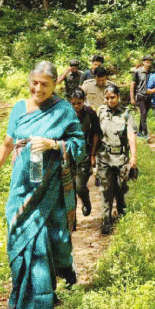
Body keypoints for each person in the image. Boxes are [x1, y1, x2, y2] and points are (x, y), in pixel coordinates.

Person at [0, 61, 85, 309]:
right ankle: (20, 298)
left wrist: (54, 144)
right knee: (17, 240)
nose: (38, 88)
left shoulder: (63, 110)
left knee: (43, 245)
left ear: (55, 85)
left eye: (45, 84)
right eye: (34, 83)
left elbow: (79, 145)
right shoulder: (18, 108)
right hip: (21, 188)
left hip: (49, 192)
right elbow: (7, 143)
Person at [95, 84, 137, 235]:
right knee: (106, 189)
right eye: (106, 98)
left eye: (112, 97)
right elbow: (95, 133)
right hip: (105, 157)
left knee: (120, 187)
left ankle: (121, 210)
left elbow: (131, 134)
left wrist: (133, 156)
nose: (109, 100)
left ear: (118, 96)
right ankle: (106, 220)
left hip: (121, 157)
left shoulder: (126, 113)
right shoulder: (100, 112)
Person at [68, 88, 100, 224]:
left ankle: (86, 202)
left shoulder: (90, 113)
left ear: (84, 102)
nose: (76, 106)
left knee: (80, 186)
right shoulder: (66, 114)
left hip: (85, 154)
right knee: (70, 188)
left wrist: (93, 155)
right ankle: (72, 219)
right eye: (74, 103)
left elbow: (96, 134)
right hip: (69, 154)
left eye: (79, 103)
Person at [130, 55, 153, 138]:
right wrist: (132, 98)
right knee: (143, 113)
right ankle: (146, 134)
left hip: (148, 96)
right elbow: (132, 85)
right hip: (140, 95)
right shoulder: (137, 72)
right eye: (147, 62)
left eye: (150, 62)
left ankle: (139, 132)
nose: (148, 64)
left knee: (144, 114)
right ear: (143, 62)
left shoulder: (151, 72)